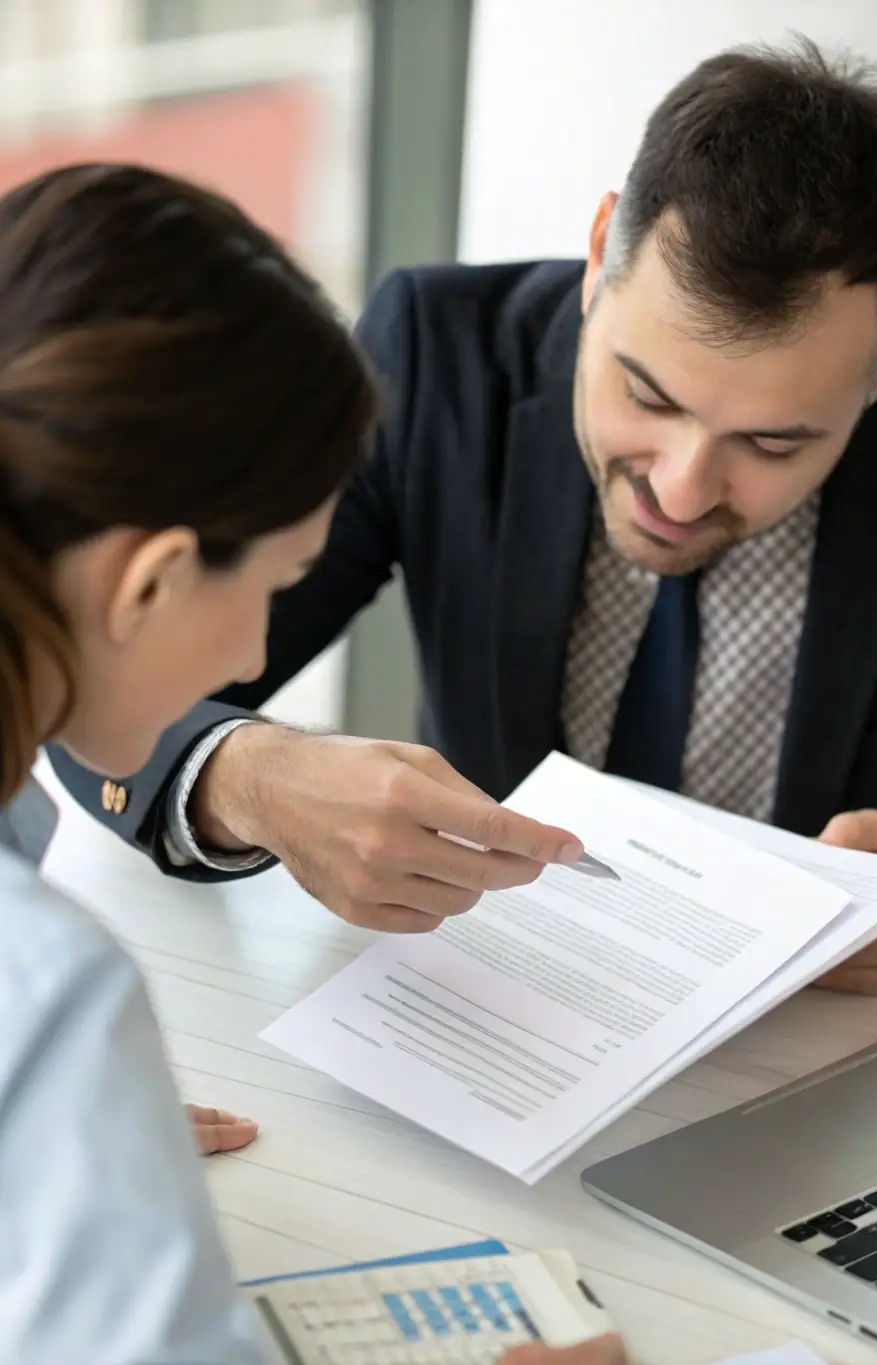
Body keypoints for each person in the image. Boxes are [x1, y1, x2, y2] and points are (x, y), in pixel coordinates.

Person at [52, 39, 877, 991]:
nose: (680, 491)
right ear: (601, 253)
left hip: (836, 1066)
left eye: (773, 445)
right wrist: (254, 781)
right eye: (646, 395)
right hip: (483, 1008)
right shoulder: (434, 356)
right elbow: (89, 663)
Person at [0, 162, 613, 1365]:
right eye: (276, 589)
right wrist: (61, 1109)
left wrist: (62, 1143)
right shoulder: (46, 989)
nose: (252, 651)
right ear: (151, 579)